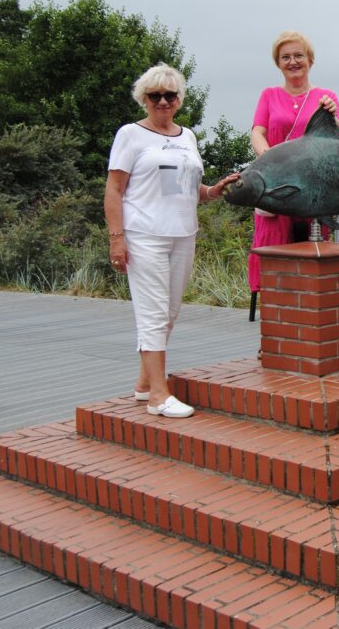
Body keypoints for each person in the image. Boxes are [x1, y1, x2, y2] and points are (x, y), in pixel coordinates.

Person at [104, 63, 239, 418]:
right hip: (144, 232)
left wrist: (214, 191)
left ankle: (144, 382)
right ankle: (158, 397)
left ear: (179, 99)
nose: (163, 101)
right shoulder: (130, 135)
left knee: (170, 312)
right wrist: (117, 239)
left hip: (183, 232)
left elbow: (189, 190)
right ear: (144, 99)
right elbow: (114, 190)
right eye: (155, 95)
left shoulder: (188, 136)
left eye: (170, 95)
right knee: (152, 311)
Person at [249, 30, 339, 296]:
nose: (293, 62)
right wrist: (270, 160)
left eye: (298, 56)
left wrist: (333, 114)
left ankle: (312, 310)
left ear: (310, 60)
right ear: (278, 63)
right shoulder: (268, 95)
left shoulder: (327, 95)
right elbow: (258, 131)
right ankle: (275, 304)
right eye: (285, 57)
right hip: (277, 184)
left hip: (314, 186)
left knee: (314, 245)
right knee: (274, 244)